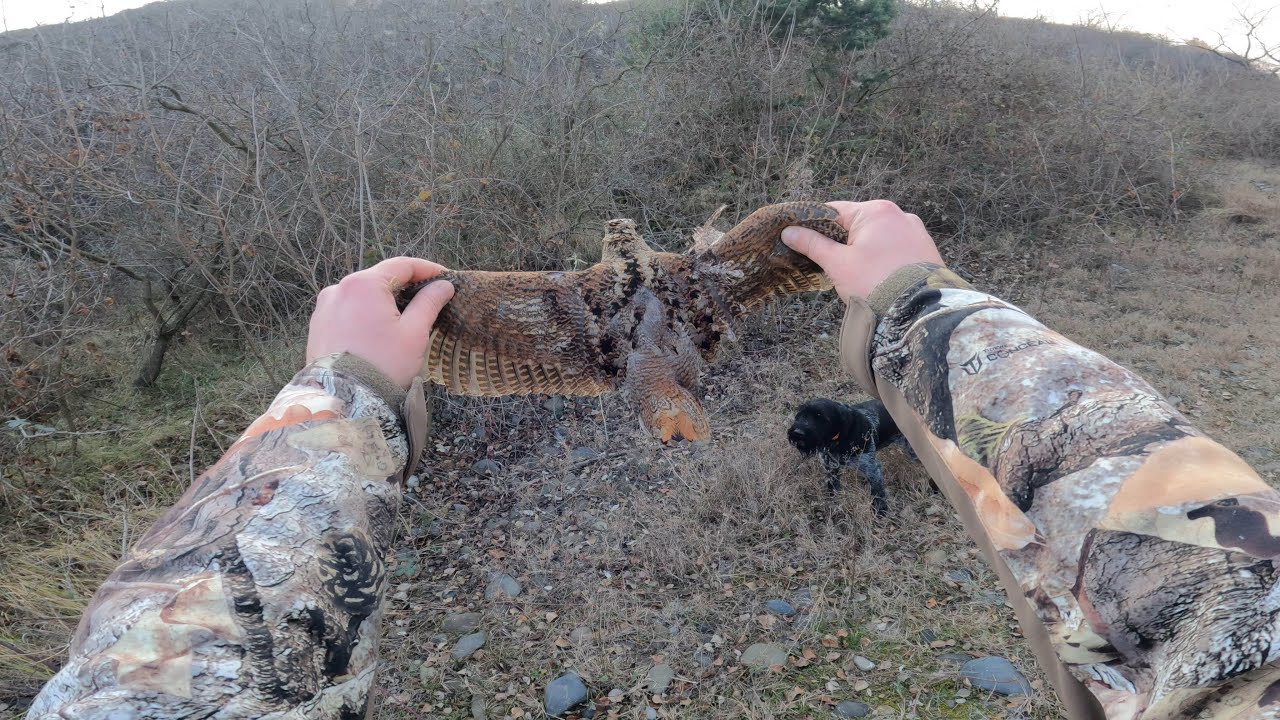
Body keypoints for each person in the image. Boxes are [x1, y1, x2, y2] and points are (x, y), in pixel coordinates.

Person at [25, 202, 1279, 719]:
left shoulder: (703, 275)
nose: (625, 257)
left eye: (636, 251)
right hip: (634, 372)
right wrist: (923, 307)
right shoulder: (560, 308)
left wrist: (339, 398)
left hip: (673, 365)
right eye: (617, 251)